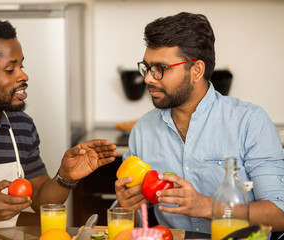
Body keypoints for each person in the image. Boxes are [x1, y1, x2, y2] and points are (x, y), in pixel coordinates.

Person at [0, 17, 117, 237]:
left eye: (21, 65)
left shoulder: (21, 127)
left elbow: (40, 202)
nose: (23, 76)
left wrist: (66, 176)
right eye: (10, 69)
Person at [114, 12, 284, 234]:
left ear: (196, 71)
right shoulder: (143, 130)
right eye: (147, 67)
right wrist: (125, 206)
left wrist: (207, 207)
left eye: (161, 69)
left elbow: (279, 214)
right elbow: (135, 219)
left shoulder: (250, 122)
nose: (148, 78)